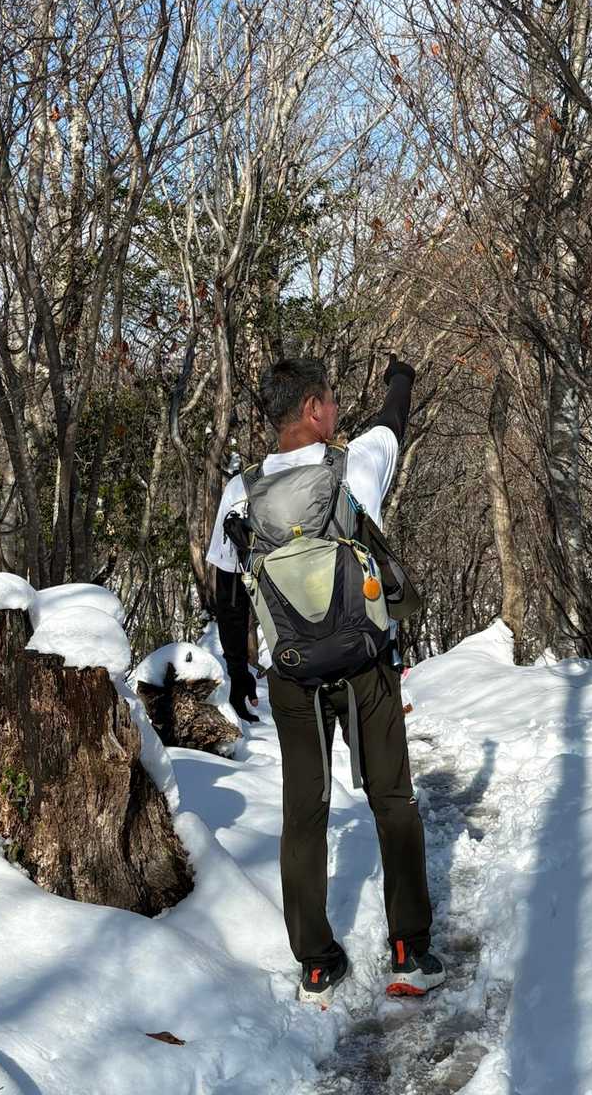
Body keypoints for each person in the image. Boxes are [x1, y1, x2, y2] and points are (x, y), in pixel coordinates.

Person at [206, 355, 444, 1006]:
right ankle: (410, 951)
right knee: (392, 801)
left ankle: (316, 963)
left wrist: (239, 671)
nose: (337, 409)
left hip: (292, 676)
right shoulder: (356, 465)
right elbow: (394, 418)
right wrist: (401, 376)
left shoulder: (240, 492)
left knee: (304, 813)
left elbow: (227, 591)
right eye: (331, 399)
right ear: (312, 409)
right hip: (367, 666)